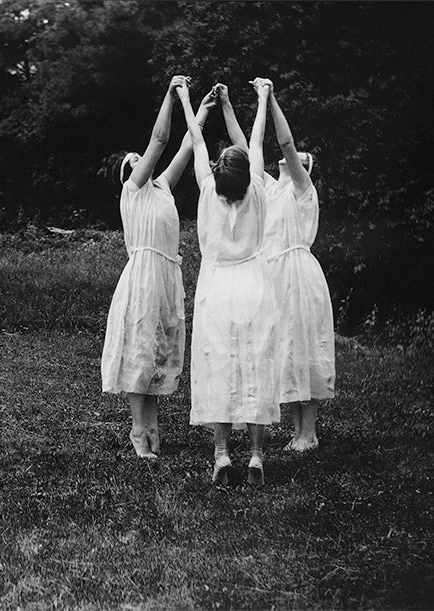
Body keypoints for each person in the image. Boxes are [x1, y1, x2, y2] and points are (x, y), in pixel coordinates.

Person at [101, 75, 211, 459]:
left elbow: (184, 144)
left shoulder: (162, 187)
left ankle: (152, 422)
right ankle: (137, 427)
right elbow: (161, 140)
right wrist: (168, 94)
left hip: (166, 274)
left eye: (139, 157)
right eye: (132, 160)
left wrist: (203, 110)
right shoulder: (133, 189)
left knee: (158, 350)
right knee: (141, 349)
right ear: (127, 173)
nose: (138, 158)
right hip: (145, 274)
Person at [177, 78, 280, 486]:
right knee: (255, 364)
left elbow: (195, 138)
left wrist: (187, 97)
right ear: (246, 172)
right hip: (254, 285)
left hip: (217, 287)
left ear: (219, 173)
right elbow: (256, 138)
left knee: (218, 365)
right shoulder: (256, 189)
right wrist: (258, 97)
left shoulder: (206, 189)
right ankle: (255, 454)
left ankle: (222, 453)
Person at [260, 82, 335, 451]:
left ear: (306, 168)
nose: (293, 155)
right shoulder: (272, 190)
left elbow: (287, 145)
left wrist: (271, 99)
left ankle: (310, 431)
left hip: (299, 274)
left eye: (302, 157)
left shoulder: (302, 190)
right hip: (275, 276)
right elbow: (249, 148)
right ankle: (297, 432)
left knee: (305, 346)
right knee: (285, 349)